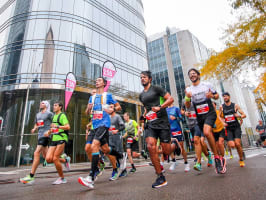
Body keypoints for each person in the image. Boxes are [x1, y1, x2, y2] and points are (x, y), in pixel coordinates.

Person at [78, 77, 126, 189]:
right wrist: (88, 108)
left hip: (104, 124)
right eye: (96, 80)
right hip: (94, 126)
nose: (96, 81)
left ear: (104, 83)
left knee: (95, 145)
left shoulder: (107, 96)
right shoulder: (92, 97)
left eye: (99, 80)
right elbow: (87, 112)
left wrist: (112, 109)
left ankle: (91, 177)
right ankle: (121, 156)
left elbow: (118, 106)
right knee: (101, 149)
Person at [139, 71, 180, 188]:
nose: (142, 79)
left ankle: (174, 145)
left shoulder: (156, 89)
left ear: (150, 79)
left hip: (162, 122)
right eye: (141, 77)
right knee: (150, 146)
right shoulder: (141, 95)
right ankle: (160, 176)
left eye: (144, 77)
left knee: (166, 151)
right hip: (150, 124)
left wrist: (160, 107)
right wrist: (143, 116)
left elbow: (170, 99)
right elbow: (147, 109)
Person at [185, 68, 223, 174]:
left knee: (206, 132)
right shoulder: (189, 90)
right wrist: (187, 98)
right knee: (207, 134)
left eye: (193, 73)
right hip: (199, 116)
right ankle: (215, 155)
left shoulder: (207, 85)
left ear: (198, 75)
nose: (192, 75)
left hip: (210, 112)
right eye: (190, 74)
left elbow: (216, 96)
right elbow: (188, 106)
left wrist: (212, 96)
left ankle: (216, 158)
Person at [20, 101, 53, 184]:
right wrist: (34, 128)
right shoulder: (38, 114)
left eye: (42, 103)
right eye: (40, 103)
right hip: (39, 135)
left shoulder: (49, 114)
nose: (40, 104)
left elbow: (54, 123)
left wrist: (49, 131)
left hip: (45, 135)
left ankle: (31, 176)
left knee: (36, 152)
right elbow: (37, 124)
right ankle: (64, 159)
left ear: (46, 105)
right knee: (47, 158)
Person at [181, 99, 212, 171]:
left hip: (199, 123)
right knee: (199, 142)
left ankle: (198, 163)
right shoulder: (183, 101)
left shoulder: (197, 99)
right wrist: (184, 112)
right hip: (190, 125)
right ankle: (208, 154)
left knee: (198, 140)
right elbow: (182, 110)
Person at [45, 102, 71, 184]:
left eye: (56, 105)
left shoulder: (62, 115)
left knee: (55, 158)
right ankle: (65, 160)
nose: (54, 107)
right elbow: (53, 128)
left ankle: (62, 178)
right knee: (48, 159)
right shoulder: (54, 116)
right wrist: (49, 132)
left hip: (61, 138)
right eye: (53, 105)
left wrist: (58, 126)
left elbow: (67, 127)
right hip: (54, 138)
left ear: (60, 107)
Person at [220, 92, 246, 167]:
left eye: (226, 96)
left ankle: (241, 159)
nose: (225, 98)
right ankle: (241, 151)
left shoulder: (235, 105)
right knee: (232, 145)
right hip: (228, 128)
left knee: (237, 144)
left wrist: (239, 116)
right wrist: (223, 122)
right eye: (224, 96)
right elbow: (219, 116)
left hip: (236, 127)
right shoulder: (222, 107)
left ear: (229, 97)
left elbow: (244, 115)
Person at [166, 103, 190, 172]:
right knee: (169, 147)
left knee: (181, 147)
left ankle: (186, 163)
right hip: (169, 131)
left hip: (177, 130)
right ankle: (174, 161)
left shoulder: (176, 109)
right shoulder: (165, 110)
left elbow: (182, 119)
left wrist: (175, 118)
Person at [108, 107, 125, 180]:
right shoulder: (107, 117)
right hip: (109, 137)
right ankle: (115, 170)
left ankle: (123, 170)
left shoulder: (117, 116)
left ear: (114, 109)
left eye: (111, 107)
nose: (109, 108)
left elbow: (123, 126)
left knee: (118, 154)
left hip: (117, 138)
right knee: (111, 153)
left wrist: (117, 130)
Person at [212, 102, 226, 173]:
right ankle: (219, 159)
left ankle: (222, 158)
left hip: (221, 130)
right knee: (217, 147)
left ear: (215, 105)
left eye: (213, 104)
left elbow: (225, 117)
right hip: (214, 132)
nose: (211, 105)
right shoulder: (209, 115)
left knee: (220, 143)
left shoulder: (218, 112)